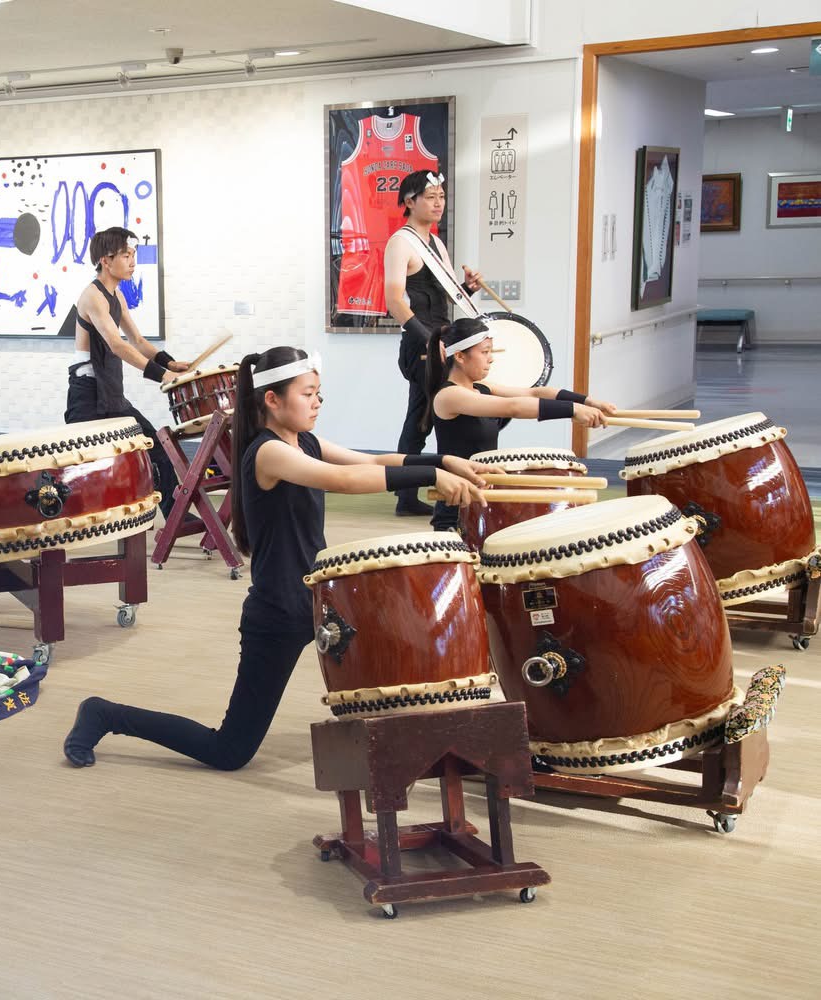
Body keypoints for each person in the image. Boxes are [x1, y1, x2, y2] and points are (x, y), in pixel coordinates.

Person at [62, 346, 488, 771]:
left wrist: (444, 460)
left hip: (322, 601)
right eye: (307, 393)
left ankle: (446, 749)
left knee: (400, 663)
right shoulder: (268, 452)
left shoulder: (306, 442)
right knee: (229, 751)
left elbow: (372, 460)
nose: (317, 402)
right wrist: (431, 475)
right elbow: (343, 479)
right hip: (279, 613)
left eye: (318, 393)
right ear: (272, 399)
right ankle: (104, 714)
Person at [424, 317, 617, 532]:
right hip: (457, 508)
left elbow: (534, 392)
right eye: (485, 352)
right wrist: (572, 411)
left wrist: (587, 402)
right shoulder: (449, 396)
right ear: (460, 356)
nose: (491, 359)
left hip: (481, 498)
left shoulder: (480, 387)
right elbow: (513, 407)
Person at [65, 226, 189, 522]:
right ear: (106, 261)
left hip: (110, 394)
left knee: (155, 446)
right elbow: (117, 345)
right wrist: (161, 376)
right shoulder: (92, 297)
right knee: (85, 467)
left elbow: (138, 341)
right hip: (87, 396)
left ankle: (175, 518)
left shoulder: (116, 296)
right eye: (125, 255)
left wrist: (170, 364)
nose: (133, 261)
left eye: (133, 254)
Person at [382, 170, 483, 517]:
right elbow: (395, 301)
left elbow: (444, 298)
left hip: (441, 342)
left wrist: (467, 288)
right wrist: (430, 341)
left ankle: (409, 495)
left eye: (441, 196)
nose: (438, 203)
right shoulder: (400, 243)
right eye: (430, 197)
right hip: (422, 345)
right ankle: (426, 495)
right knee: (429, 419)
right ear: (410, 202)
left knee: (422, 418)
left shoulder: (436, 244)